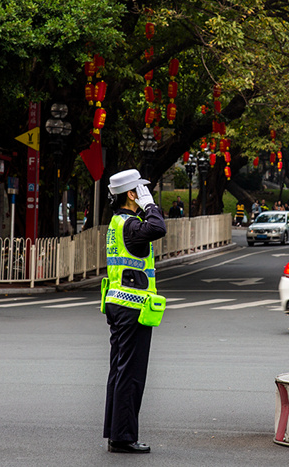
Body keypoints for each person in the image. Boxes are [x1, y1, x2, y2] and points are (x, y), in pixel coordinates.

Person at [103, 169, 167, 453]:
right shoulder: (131, 225)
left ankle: (116, 432)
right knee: (131, 374)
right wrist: (150, 206)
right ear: (131, 194)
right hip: (133, 308)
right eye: (140, 190)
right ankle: (123, 438)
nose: (143, 194)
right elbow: (158, 228)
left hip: (117, 304)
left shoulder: (117, 223)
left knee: (118, 371)